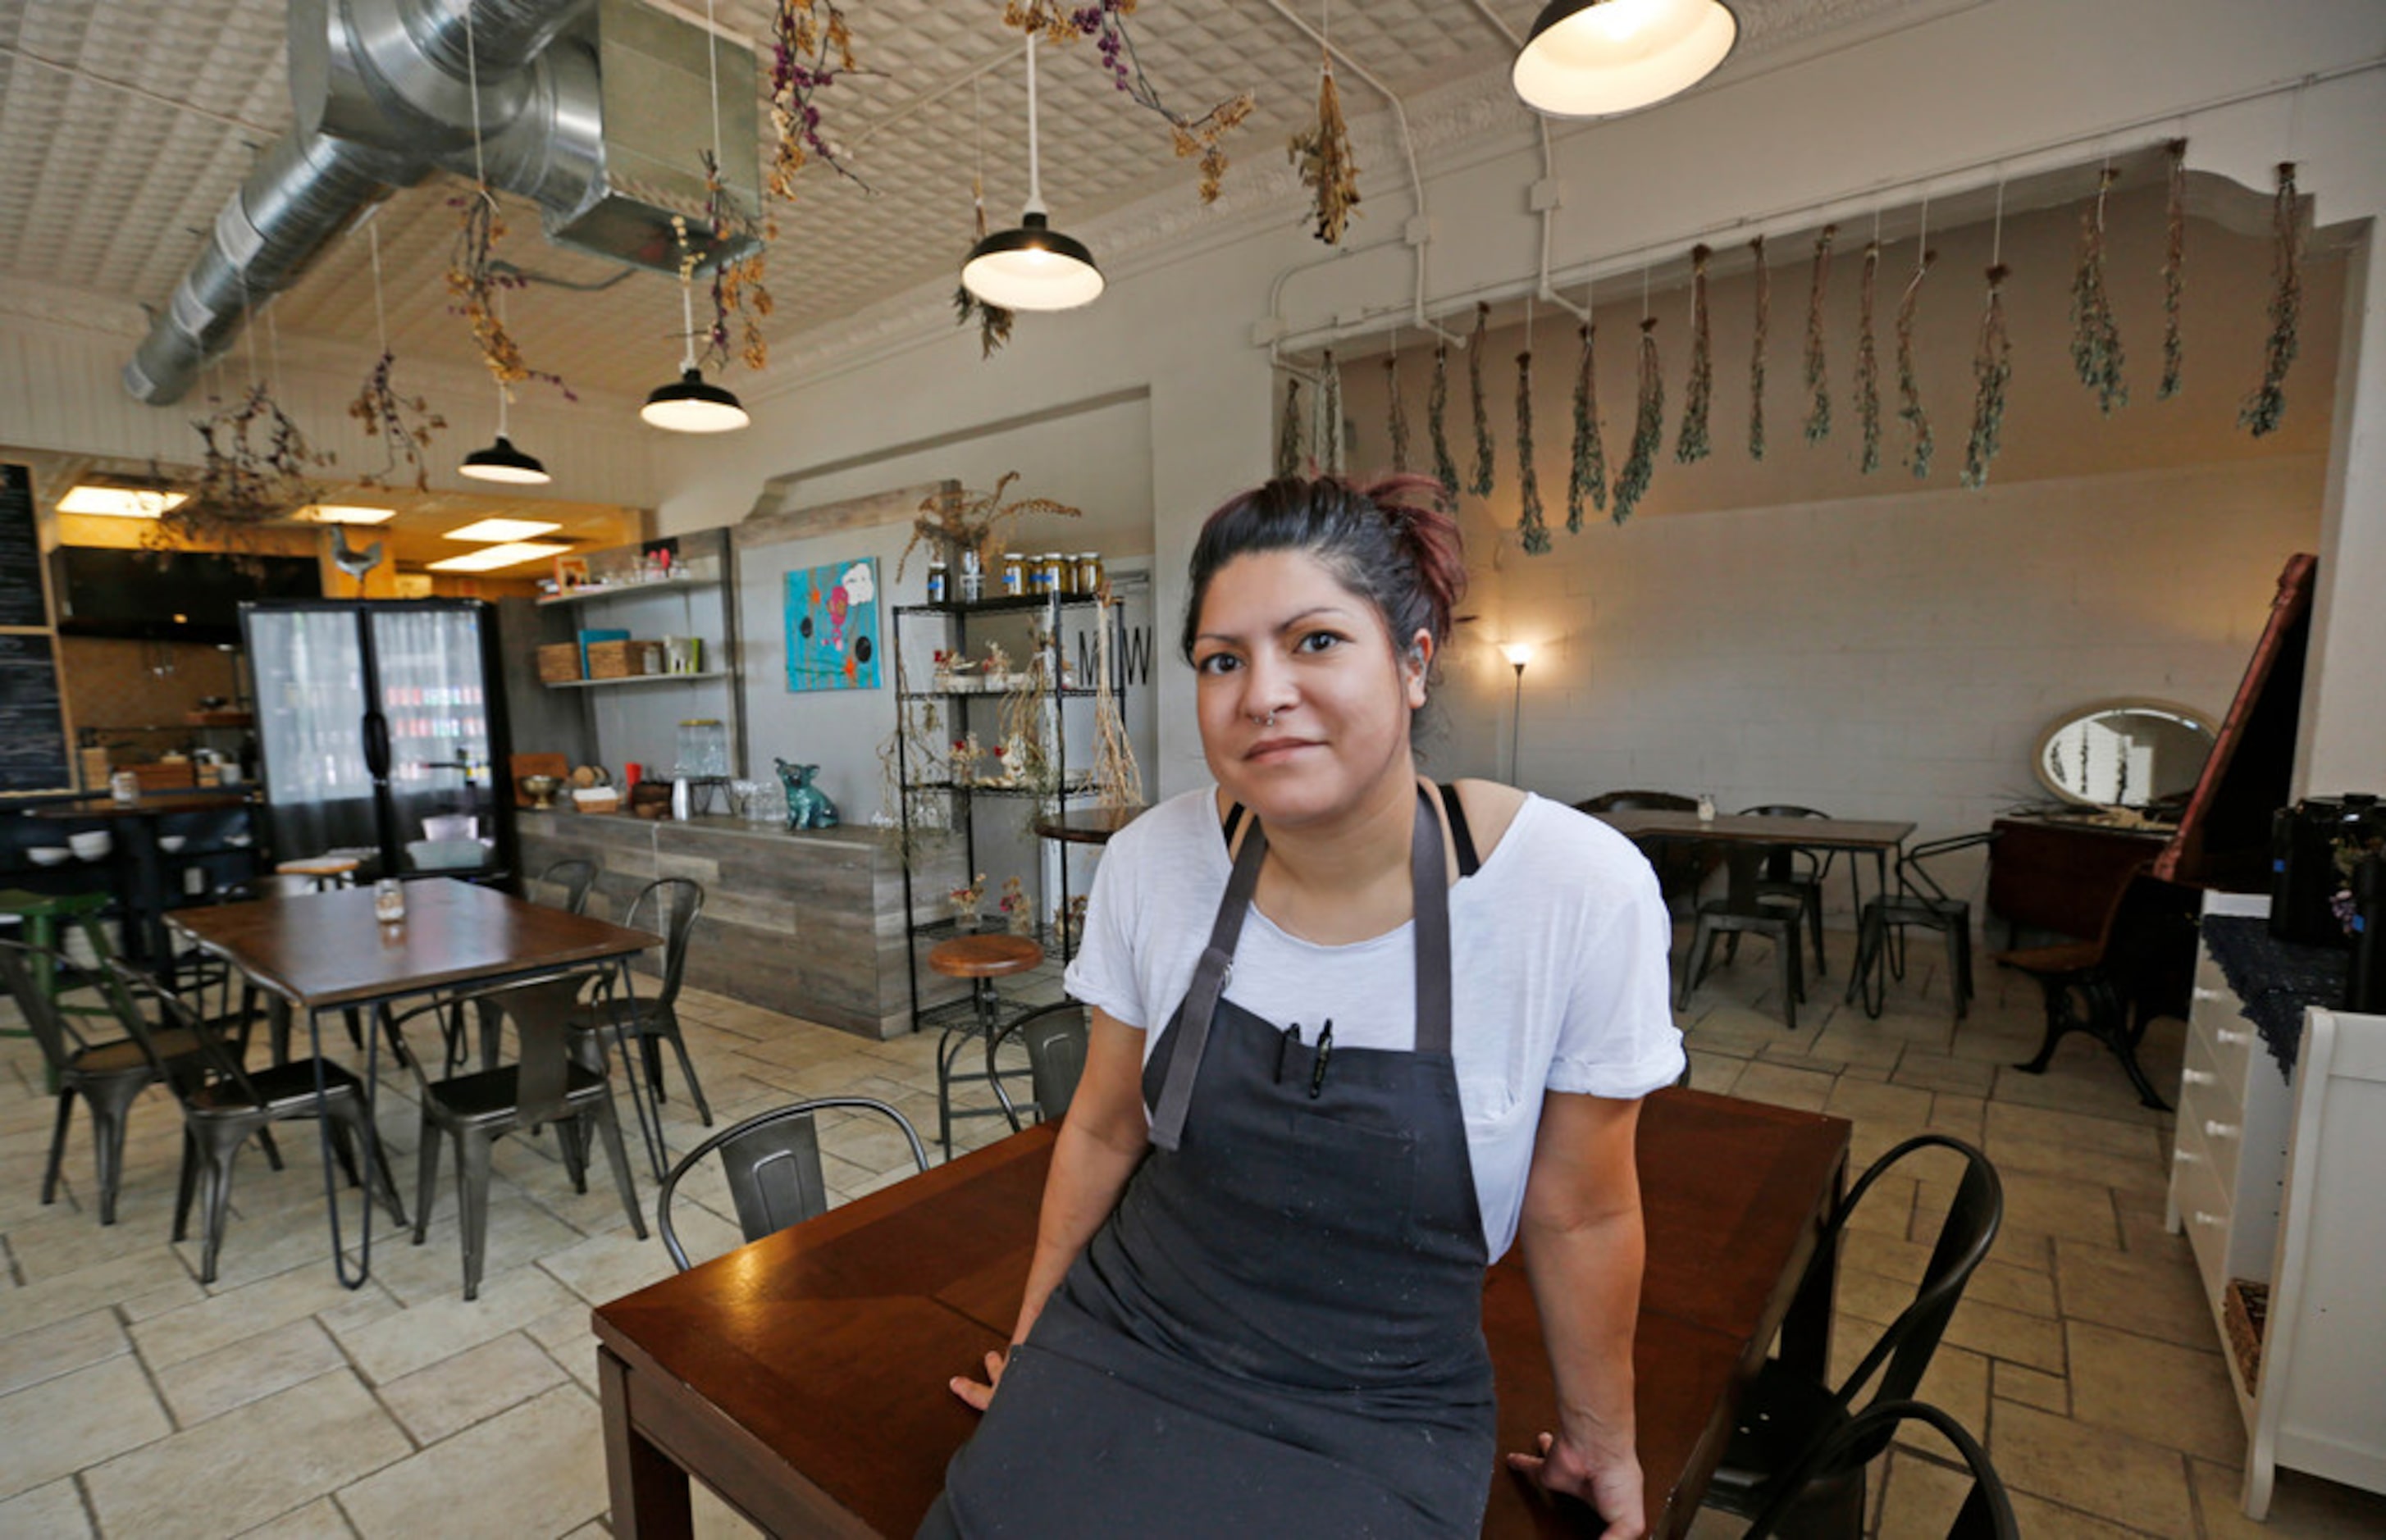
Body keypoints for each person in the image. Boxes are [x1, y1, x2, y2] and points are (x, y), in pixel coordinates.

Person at [923, 474, 1684, 1538]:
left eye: (1315, 641)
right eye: (1221, 660)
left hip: (1380, 1398)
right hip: (1129, 1330)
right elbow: (1101, 1125)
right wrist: (1038, 1342)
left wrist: (1603, 1438)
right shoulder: (1154, 863)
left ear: (1414, 661)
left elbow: (1584, 1207)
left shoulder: (1572, 890)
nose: (1260, 692)